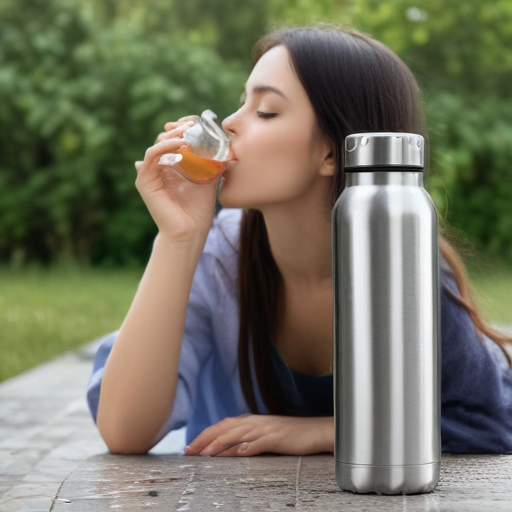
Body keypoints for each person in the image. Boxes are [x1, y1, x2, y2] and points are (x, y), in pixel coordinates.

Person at [87, 26, 512, 457]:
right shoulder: (221, 257)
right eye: (242, 102)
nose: (230, 123)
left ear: (332, 153)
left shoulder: (407, 269)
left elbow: (487, 423)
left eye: (266, 111)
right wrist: (178, 238)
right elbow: (124, 431)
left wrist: (325, 431)